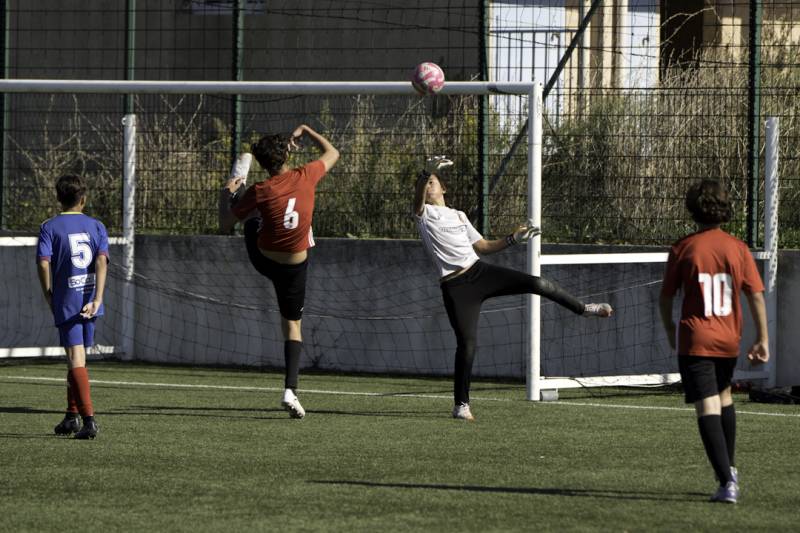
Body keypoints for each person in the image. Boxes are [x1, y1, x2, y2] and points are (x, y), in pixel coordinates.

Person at [414, 157, 613, 421]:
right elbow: (417, 197)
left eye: (432, 182)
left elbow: (483, 246)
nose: (428, 186)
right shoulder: (424, 214)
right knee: (468, 344)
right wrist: (427, 171)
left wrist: (512, 239)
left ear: (443, 189)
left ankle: (583, 308)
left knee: (537, 283)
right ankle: (461, 405)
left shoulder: (459, 215)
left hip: (480, 272)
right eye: (425, 183)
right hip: (456, 286)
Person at [659, 179, 769, 504]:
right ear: (725, 209)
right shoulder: (738, 248)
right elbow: (757, 295)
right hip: (728, 340)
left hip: (696, 340)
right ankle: (730, 469)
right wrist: (762, 337)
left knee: (706, 404)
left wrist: (669, 331)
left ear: (692, 210)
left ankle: (726, 483)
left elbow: (665, 298)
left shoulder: (683, 248)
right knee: (724, 398)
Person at [222, 124, 339, 419]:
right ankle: (290, 390)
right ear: (288, 153)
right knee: (292, 325)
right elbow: (333, 152)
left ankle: (242, 199)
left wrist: (229, 194)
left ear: (262, 164)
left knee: (249, 220)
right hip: (294, 267)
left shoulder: (261, 190)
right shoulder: (305, 175)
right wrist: (308, 131)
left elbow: (223, 225)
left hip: (263, 259)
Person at [36, 174, 109, 439]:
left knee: (75, 358)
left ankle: (89, 420)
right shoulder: (96, 225)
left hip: (67, 300)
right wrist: (98, 298)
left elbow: (43, 262)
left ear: (58, 198)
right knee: (77, 358)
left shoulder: (49, 227)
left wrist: (49, 295)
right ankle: (71, 416)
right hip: (90, 298)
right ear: (83, 199)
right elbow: (101, 262)